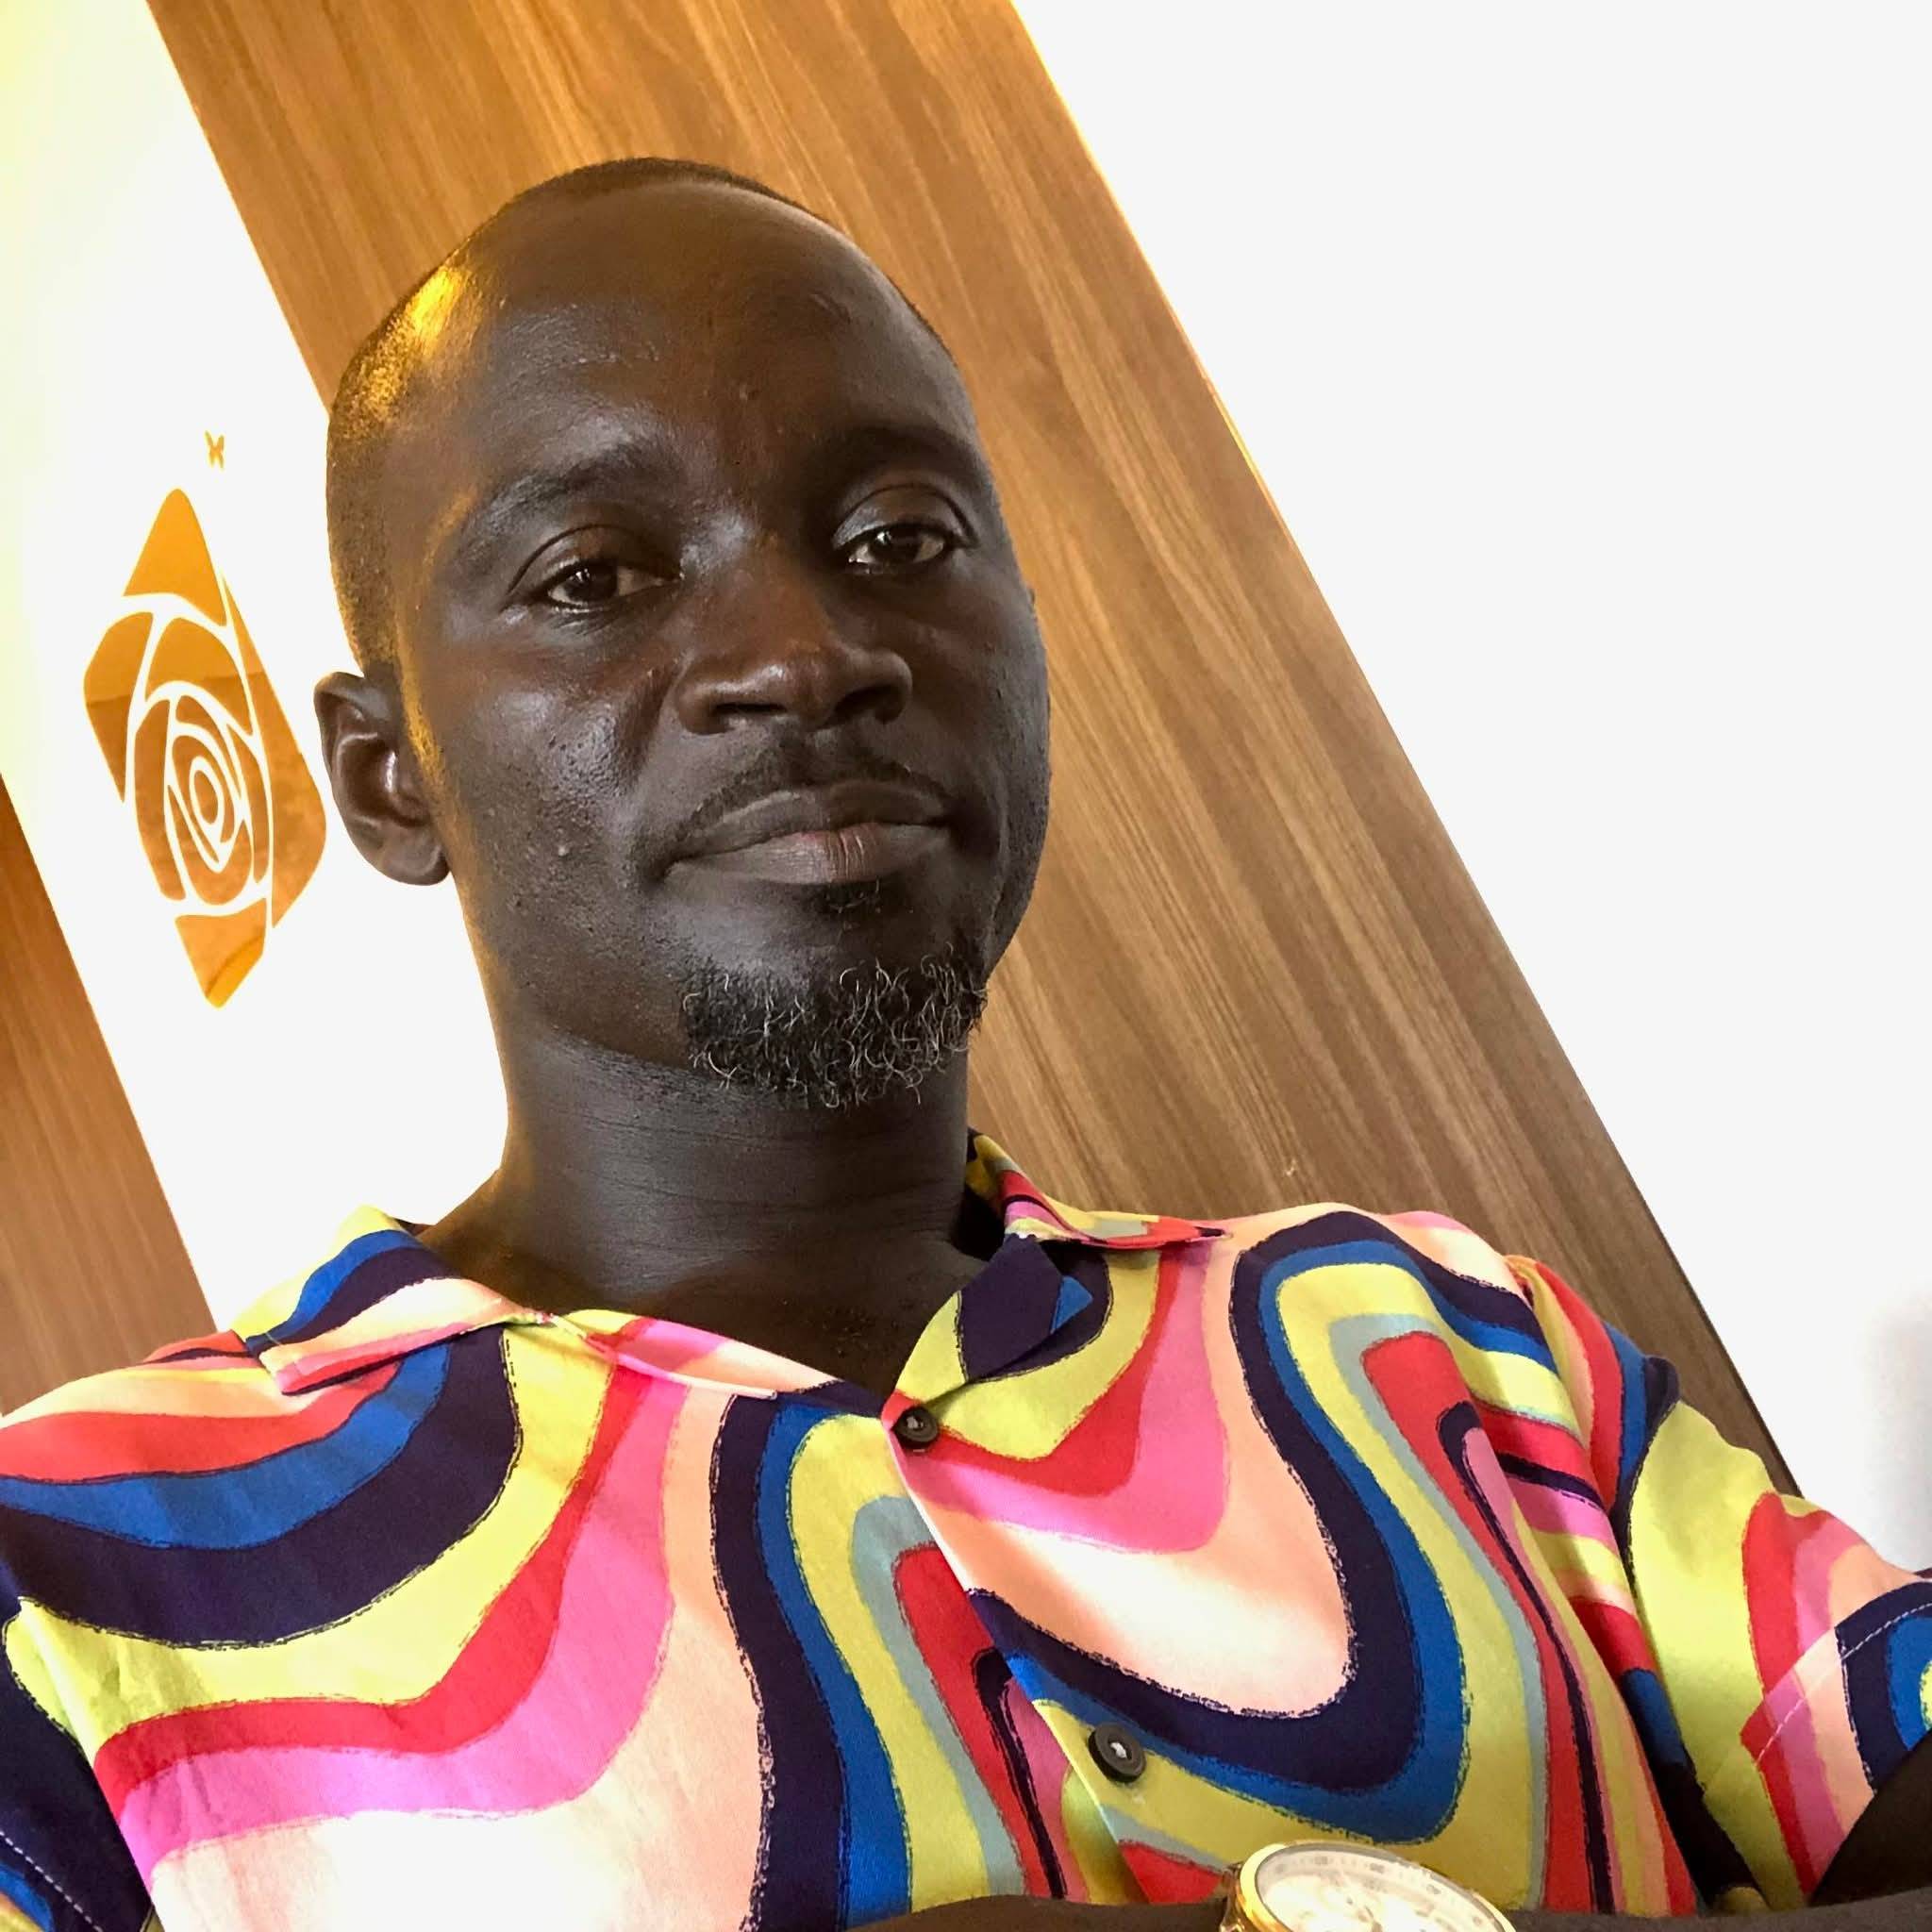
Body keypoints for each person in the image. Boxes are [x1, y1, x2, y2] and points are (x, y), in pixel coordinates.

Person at [0, 158, 1924, 1932]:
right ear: (388, 776)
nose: (801, 651)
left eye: (898, 532)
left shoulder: (1449, 1335)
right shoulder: (73, 1582)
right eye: (594, 575)